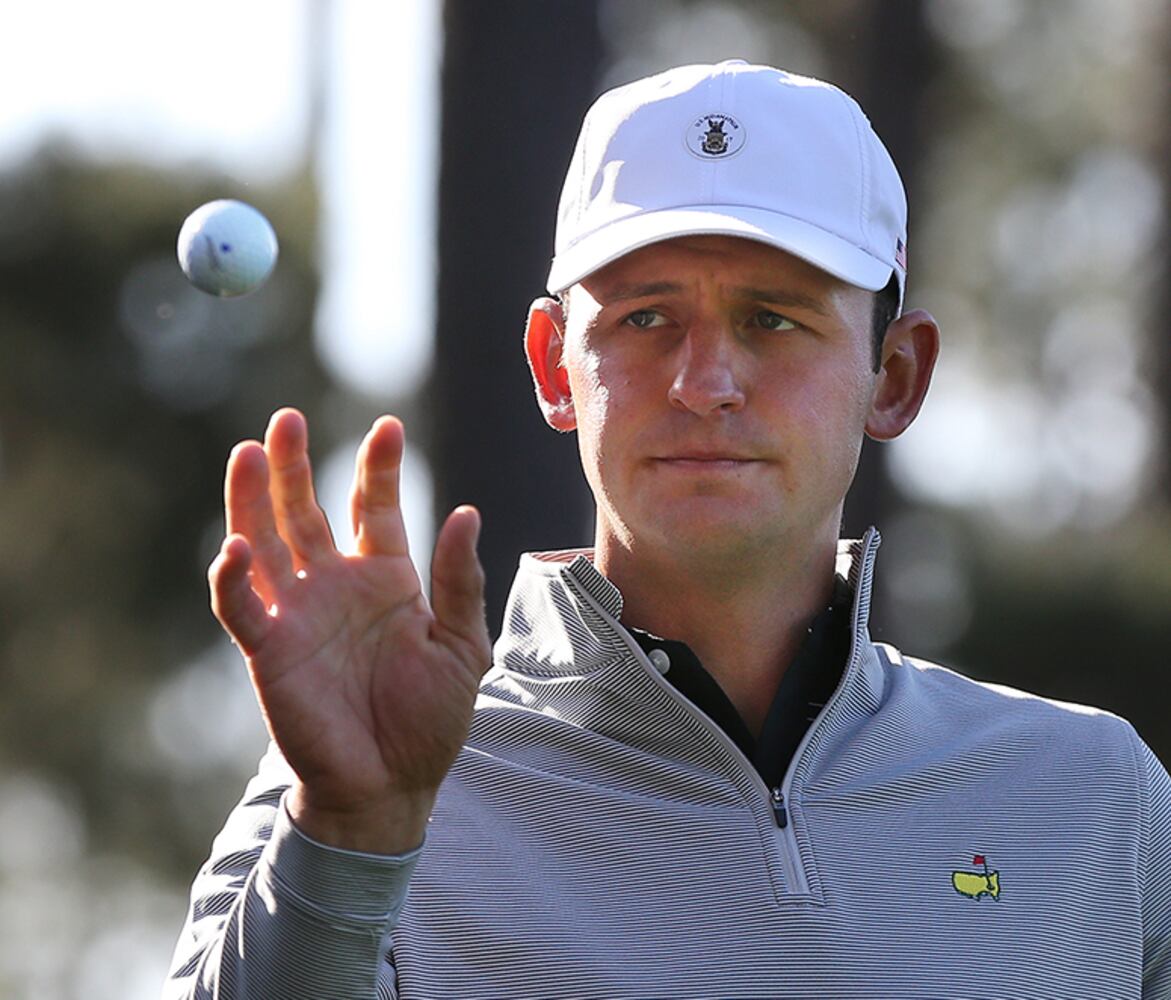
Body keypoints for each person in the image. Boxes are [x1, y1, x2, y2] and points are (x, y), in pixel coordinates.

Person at [164, 61, 1171, 999]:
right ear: (555, 367)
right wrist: (349, 838)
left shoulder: (1093, 800)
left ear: (894, 375)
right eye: (645, 319)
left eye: (773, 319)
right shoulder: (363, 790)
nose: (704, 383)